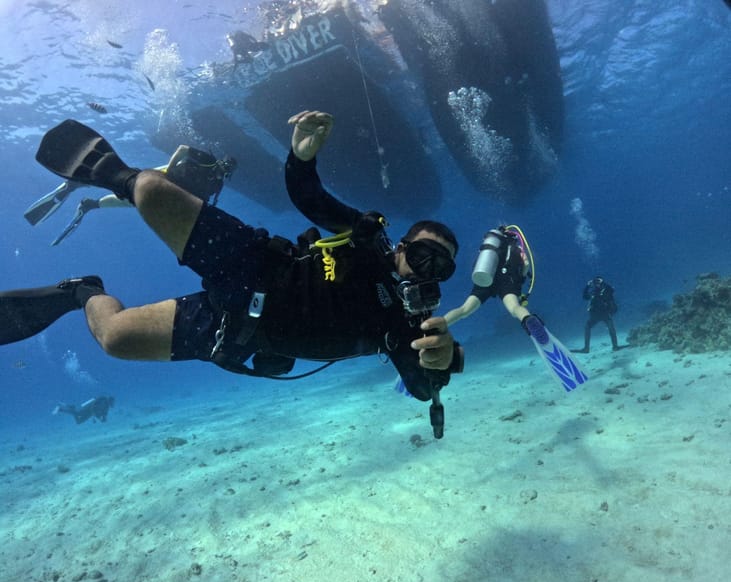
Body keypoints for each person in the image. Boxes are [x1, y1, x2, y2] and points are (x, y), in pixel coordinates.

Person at [1, 110, 463, 412]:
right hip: (253, 264)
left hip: (235, 330)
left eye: (441, 268)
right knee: (152, 190)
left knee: (115, 337)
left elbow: (423, 387)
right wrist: (301, 158)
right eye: (423, 256)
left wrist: (446, 359)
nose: (427, 271)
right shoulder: (367, 239)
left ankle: (82, 292)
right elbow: (310, 198)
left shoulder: (412, 326)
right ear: (401, 247)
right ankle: (113, 174)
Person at [445, 225, 588, 392]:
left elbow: (476, 266)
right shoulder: (515, 247)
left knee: (464, 310)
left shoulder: (489, 247)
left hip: (485, 277)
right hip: (507, 279)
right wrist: (520, 278)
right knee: (514, 308)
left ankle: (436, 326)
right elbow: (525, 265)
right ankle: (529, 320)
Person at [23, 145, 237, 246]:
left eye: (228, 170)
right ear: (222, 161)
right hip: (163, 176)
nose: (224, 169)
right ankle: (77, 184)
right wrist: (170, 171)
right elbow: (182, 149)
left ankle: (90, 205)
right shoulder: (208, 160)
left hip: (168, 194)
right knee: (125, 182)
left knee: (129, 200)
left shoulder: (217, 185)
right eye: (226, 165)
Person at [573, 276, 624, 353]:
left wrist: (603, 283)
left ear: (602, 282)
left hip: (605, 313)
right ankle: (586, 348)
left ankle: (615, 346)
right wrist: (587, 286)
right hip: (595, 315)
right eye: (595, 282)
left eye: (599, 281)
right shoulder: (593, 292)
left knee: (611, 328)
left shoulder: (606, 290)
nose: (597, 283)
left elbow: (611, 291)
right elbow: (585, 297)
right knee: (587, 327)